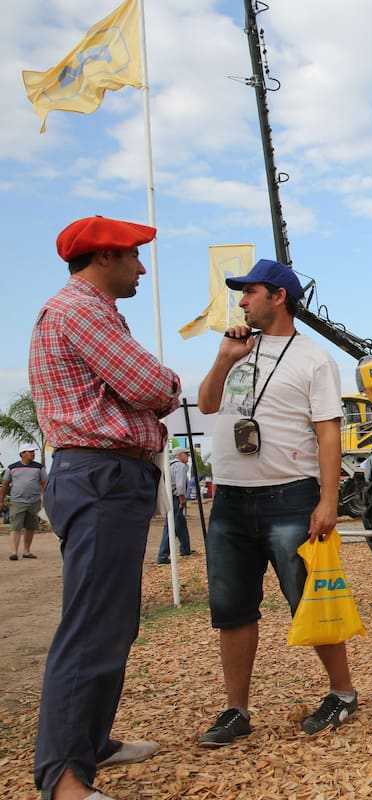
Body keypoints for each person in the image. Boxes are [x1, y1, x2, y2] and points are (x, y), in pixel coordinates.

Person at [30, 216, 181, 800]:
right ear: (103, 258)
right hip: (100, 475)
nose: (141, 268)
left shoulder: (83, 310)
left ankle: (88, 746)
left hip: (100, 475)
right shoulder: (82, 311)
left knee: (109, 621)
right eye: (133, 257)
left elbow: (142, 387)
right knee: (94, 627)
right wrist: (164, 385)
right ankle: (65, 780)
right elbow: (151, 386)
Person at [196, 258, 357, 747]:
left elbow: (329, 431)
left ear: (279, 296)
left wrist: (329, 499)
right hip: (230, 496)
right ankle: (236, 709)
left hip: (290, 495)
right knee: (232, 607)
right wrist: (225, 358)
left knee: (308, 599)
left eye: (250, 292)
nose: (242, 300)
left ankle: (343, 693)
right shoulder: (236, 348)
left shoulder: (313, 358)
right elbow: (205, 404)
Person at [3, 444, 47, 560]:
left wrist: (46, 499)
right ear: (22, 453)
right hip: (17, 501)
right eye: (30, 451)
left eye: (33, 451)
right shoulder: (12, 468)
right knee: (15, 527)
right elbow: (5, 484)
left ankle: (27, 551)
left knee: (30, 526)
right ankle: (14, 552)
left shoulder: (39, 467)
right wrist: (1, 500)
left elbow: (44, 483)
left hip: (34, 501)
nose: (33, 453)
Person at [155, 446, 194, 564]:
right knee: (171, 527)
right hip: (176, 498)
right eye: (186, 454)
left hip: (171, 497)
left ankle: (185, 549)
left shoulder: (171, 465)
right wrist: (181, 499)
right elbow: (180, 485)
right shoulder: (180, 466)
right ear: (180, 455)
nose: (188, 456)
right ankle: (162, 556)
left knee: (180, 524)